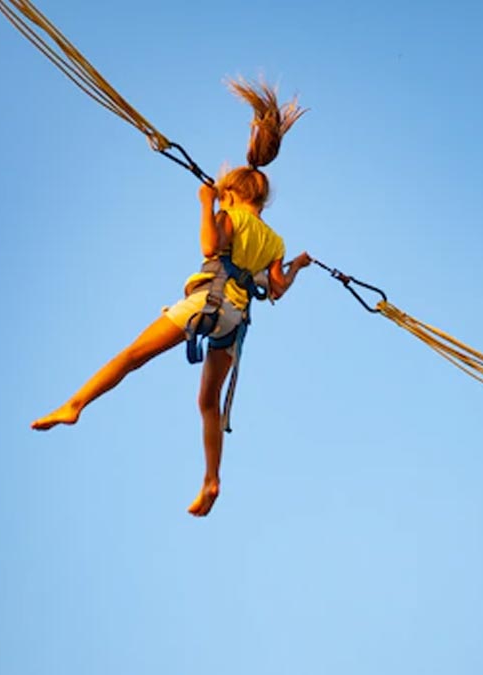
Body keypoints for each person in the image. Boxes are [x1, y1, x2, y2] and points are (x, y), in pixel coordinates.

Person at [30, 78, 312, 517]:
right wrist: (297, 266)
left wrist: (205, 203)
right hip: (234, 322)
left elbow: (207, 248)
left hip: (205, 304)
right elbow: (276, 290)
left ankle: (75, 405)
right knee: (207, 403)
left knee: (132, 355)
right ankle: (212, 480)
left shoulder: (229, 216)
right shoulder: (274, 240)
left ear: (233, 193)